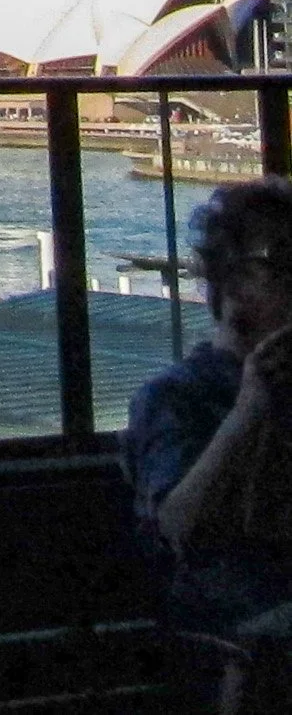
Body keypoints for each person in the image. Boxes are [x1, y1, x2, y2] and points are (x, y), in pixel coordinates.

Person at [124, 176, 292, 711]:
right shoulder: (176, 398)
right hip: (231, 631)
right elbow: (177, 528)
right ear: (232, 289)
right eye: (278, 266)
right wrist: (250, 410)